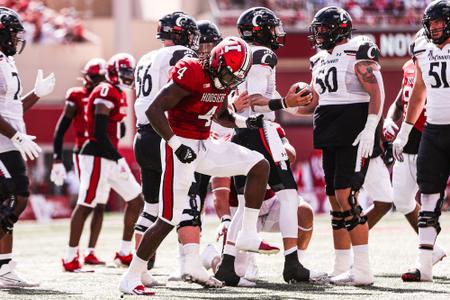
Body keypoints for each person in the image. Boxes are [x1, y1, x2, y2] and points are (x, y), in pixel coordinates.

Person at [119, 36, 306, 295]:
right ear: (216, 62)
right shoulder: (192, 71)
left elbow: (220, 115)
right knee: (168, 219)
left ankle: (248, 233)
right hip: (179, 146)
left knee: (258, 164)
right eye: (229, 75)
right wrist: (175, 144)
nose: (230, 82)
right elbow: (154, 109)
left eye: (235, 78)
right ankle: (131, 276)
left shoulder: (223, 77)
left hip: (204, 144)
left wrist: (243, 123)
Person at [215, 7, 322, 287]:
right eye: (272, 28)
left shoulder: (238, 53)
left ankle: (227, 265)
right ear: (261, 29)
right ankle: (292, 264)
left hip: (241, 131)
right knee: (288, 194)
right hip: (259, 130)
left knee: (245, 206)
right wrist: (286, 103)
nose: (277, 33)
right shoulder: (263, 54)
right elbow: (256, 99)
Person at [282, 6, 384, 285]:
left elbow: (377, 89)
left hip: (353, 125)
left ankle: (363, 269)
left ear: (340, 29)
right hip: (328, 127)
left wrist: (371, 126)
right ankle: (342, 265)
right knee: (334, 201)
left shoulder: (358, 49)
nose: (320, 35)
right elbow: (316, 102)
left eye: (325, 29)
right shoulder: (318, 59)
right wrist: (291, 109)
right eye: (319, 30)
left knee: (346, 197)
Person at [62, 53, 144, 274]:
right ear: (114, 72)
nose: (129, 77)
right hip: (97, 154)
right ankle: (70, 257)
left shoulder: (116, 92)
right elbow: (98, 130)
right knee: (86, 203)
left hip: (108, 154)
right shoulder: (107, 90)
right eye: (126, 73)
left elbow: (110, 126)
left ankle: (125, 251)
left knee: (136, 199)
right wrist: (117, 156)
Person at [203, 123, 315, 284]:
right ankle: (210, 256)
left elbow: (290, 153)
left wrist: (278, 150)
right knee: (241, 271)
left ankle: (295, 262)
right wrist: (225, 219)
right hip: (241, 213)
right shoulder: (234, 139)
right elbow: (220, 188)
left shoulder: (271, 129)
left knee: (303, 211)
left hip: (270, 205)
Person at [133, 11, 199, 276]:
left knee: (150, 206)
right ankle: (192, 265)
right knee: (188, 199)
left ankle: (140, 269)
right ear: (182, 32)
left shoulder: (145, 57)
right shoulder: (182, 55)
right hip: (166, 134)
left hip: (143, 135)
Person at [393, 0, 450, 282]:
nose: (435, 28)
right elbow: (418, 92)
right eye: (431, 24)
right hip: (434, 130)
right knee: (428, 198)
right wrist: (404, 131)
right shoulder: (422, 49)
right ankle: (424, 265)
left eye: (440, 22)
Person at [0, 7, 55, 287]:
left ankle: (5, 269)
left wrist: (37, 94)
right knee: (15, 198)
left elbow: (13, 110)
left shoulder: (6, 62)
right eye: (11, 32)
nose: (15, 39)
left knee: (10, 201)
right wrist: (16, 137)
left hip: (10, 141)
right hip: (3, 143)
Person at [383, 55, 446, 265]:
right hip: (408, 136)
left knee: (430, 197)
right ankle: (432, 248)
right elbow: (400, 102)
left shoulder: (440, 61)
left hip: (434, 134)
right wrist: (389, 119)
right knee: (401, 199)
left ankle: (426, 253)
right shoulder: (410, 66)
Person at [50, 58, 108, 265]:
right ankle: (71, 252)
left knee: (100, 204)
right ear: (86, 76)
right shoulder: (77, 95)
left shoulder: (107, 94)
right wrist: (57, 158)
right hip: (84, 153)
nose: (96, 81)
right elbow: (61, 129)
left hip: (105, 153)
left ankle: (90, 251)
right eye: (94, 77)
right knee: (87, 201)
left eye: (100, 77)